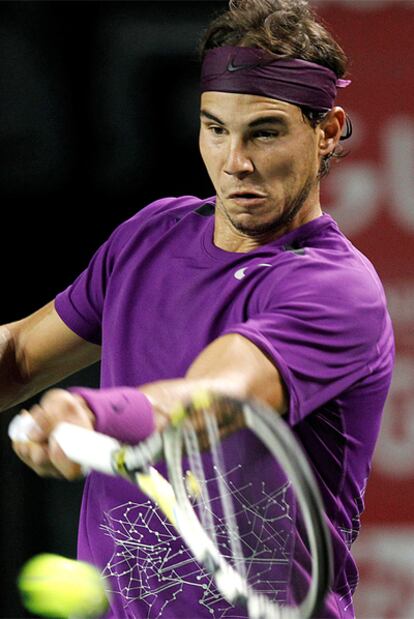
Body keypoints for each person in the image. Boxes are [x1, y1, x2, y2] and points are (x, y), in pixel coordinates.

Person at [3, 0, 394, 617]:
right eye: (216, 128)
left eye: (264, 132)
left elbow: (215, 396)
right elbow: (20, 355)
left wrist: (96, 410)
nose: (234, 161)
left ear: (326, 131)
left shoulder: (337, 288)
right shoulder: (149, 235)